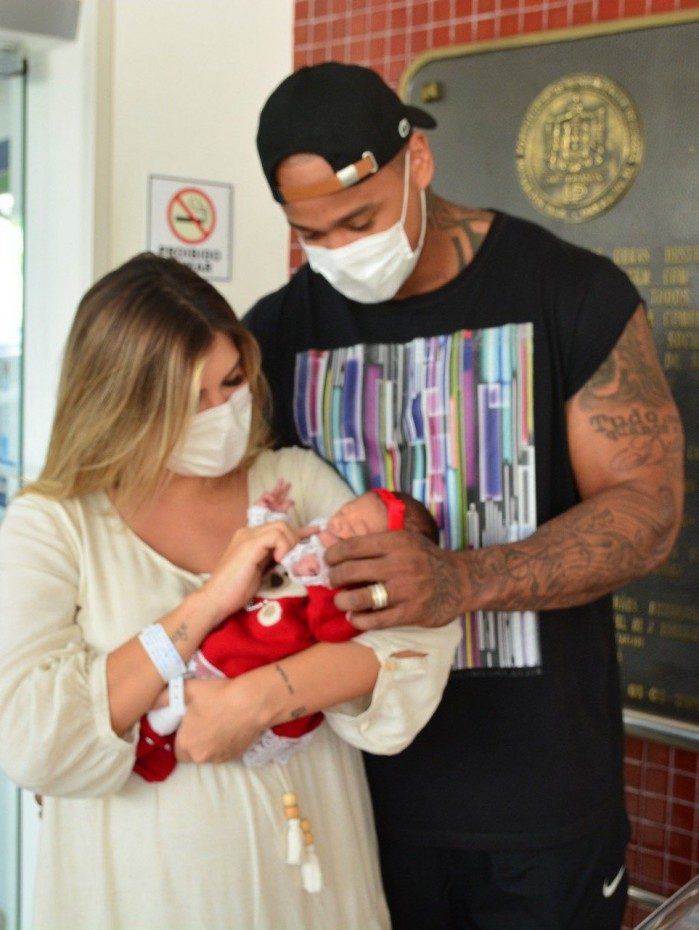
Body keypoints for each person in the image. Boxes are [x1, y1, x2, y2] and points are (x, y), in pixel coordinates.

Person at [244, 62, 685, 930]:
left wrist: (463, 580)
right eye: (311, 234)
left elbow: (648, 509)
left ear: (417, 161)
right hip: (346, 799)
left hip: (537, 806)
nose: (339, 252)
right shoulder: (278, 331)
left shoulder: (568, 291)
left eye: (359, 220)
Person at [0, 253, 462, 930]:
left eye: (233, 381)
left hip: (312, 885)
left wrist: (259, 698)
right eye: (192, 399)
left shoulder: (294, 483)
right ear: (123, 402)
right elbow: (32, 734)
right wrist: (209, 601)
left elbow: (415, 629)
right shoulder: (55, 525)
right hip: (142, 897)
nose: (222, 412)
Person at [134, 484, 440, 781]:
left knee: (191, 702)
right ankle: (151, 732)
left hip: (265, 654)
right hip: (244, 626)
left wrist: (319, 584)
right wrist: (270, 519)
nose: (339, 523)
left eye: (356, 530)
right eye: (345, 511)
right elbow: (271, 555)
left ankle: (156, 740)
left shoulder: (352, 592)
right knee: (183, 673)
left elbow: (330, 630)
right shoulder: (315, 540)